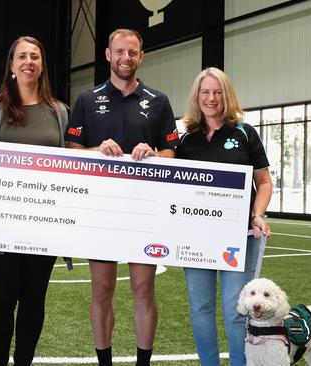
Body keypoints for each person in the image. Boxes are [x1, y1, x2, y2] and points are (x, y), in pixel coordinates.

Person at [65, 28, 180, 366]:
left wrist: (155, 153)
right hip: (101, 213)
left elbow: (172, 153)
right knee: (102, 291)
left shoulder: (158, 101)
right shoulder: (88, 100)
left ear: (140, 56)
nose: (125, 58)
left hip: (143, 214)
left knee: (143, 291)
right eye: (119, 52)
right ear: (107, 55)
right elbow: (73, 152)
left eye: (132, 52)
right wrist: (95, 149)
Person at [0, 36, 69, 366]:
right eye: (21, 56)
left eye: (34, 56)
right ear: (12, 65)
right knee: (1, 301)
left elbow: (68, 166)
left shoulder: (59, 112)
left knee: (34, 302)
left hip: (43, 226)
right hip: (0, 225)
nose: (28, 61)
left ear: (42, 64)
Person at [175, 67, 273, 366]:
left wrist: (257, 214)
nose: (211, 98)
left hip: (239, 237)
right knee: (200, 308)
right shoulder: (185, 139)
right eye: (205, 92)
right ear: (197, 96)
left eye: (218, 92)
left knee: (236, 310)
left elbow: (265, 182)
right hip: (197, 239)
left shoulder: (244, 133)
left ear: (226, 95)